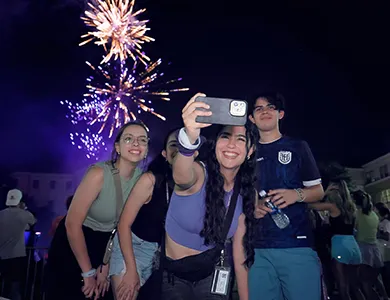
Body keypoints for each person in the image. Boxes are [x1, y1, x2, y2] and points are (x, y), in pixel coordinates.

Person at [161, 93, 257, 300]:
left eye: (241, 139)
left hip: (213, 274)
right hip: (173, 278)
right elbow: (181, 175)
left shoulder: (246, 191)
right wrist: (189, 137)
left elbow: (240, 255)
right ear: (215, 144)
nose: (231, 145)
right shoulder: (199, 172)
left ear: (250, 151)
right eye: (225, 136)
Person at [45, 121, 148, 300]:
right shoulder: (99, 174)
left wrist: (105, 265)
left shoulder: (143, 181)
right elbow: (72, 223)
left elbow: (121, 228)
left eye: (142, 140)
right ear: (118, 147)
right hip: (73, 243)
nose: (136, 144)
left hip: (105, 247)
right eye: (129, 139)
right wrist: (87, 273)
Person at [248, 92, 324, 300]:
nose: (265, 111)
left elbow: (318, 191)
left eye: (270, 107)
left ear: (280, 114)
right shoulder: (245, 152)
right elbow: (238, 192)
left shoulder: (298, 147)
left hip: (296, 245)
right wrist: (253, 204)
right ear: (251, 118)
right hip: (258, 249)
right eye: (258, 108)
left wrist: (296, 194)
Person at [111, 128, 178, 300]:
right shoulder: (151, 180)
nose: (179, 148)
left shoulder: (193, 185)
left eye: (185, 143)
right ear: (164, 153)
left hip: (162, 255)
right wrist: (131, 270)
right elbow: (123, 224)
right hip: (133, 247)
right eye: (173, 144)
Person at [309, 163, 364, 300]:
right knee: (355, 287)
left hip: (340, 245)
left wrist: (325, 192)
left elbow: (309, 205)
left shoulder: (332, 206)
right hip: (353, 245)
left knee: (342, 287)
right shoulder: (352, 209)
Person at [0, 189, 36, 300]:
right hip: (17, 255)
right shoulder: (25, 214)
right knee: (15, 286)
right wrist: (24, 209)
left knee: (3, 284)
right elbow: (33, 222)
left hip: (1, 254)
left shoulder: (1, 214)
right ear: (20, 201)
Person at [352, 190, 388, 300]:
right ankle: (386, 297)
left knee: (365, 283)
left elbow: (353, 230)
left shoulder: (357, 214)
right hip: (375, 250)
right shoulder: (374, 215)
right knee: (376, 280)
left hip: (363, 250)